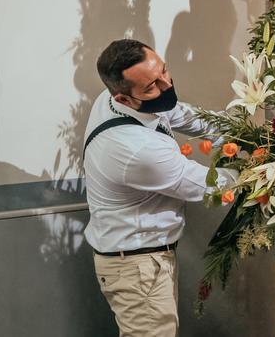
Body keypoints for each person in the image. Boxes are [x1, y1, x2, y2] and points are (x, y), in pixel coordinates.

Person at [85, 39, 236, 337]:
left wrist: (248, 131)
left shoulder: (121, 99)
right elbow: (209, 187)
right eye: (153, 86)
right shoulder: (137, 150)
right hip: (137, 268)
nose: (166, 85)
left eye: (164, 72)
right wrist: (271, 169)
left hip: (143, 261)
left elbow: (184, 116)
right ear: (124, 99)